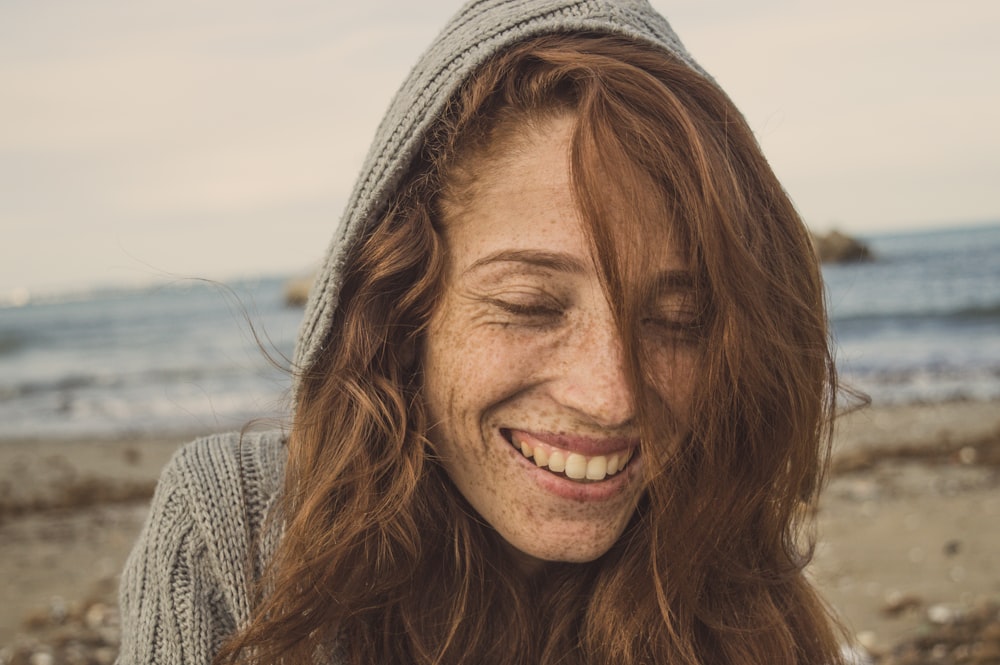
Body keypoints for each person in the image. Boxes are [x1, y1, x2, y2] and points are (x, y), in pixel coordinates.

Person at [118, 1, 848, 663]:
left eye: (677, 322)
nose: (612, 395)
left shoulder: (733, 592)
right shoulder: (234, 532)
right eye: (530, 304)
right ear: (403, 306)